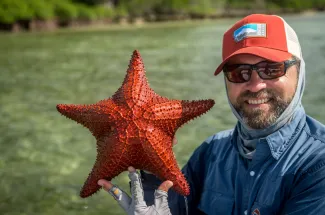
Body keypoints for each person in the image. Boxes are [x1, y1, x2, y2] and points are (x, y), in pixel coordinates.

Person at [97, 14, 325, 215]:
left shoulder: (318, 164)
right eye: (239, 73)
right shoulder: (210, 152)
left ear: (300, 71)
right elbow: (173, 208)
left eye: (272, 69)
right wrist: (151, 164)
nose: (255, 85)